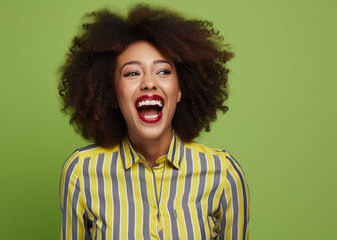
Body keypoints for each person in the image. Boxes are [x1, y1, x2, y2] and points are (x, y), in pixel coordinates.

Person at [58, 4, 249, 240]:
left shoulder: (223, 174)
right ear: (113, 94)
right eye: (132, 73)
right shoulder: (81, 172)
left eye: (162, 72)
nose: (149, 83)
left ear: (180, 89)